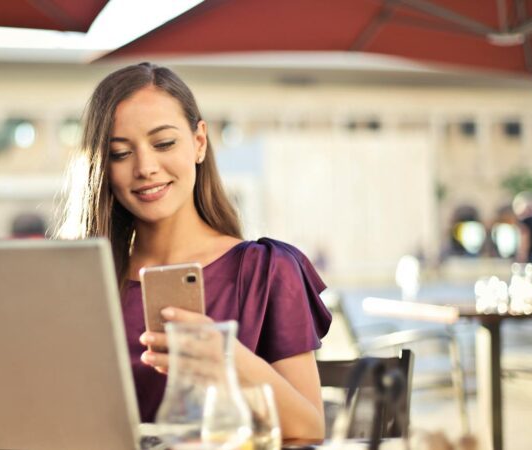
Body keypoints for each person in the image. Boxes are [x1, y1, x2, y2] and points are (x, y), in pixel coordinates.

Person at [58, 62, 331, 440]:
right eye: (120, 153)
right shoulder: (80, 283)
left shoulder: (266, 270)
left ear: (199, 142)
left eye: (164, 143)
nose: (146, 167)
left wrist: (226, 358)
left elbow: (310, 429)